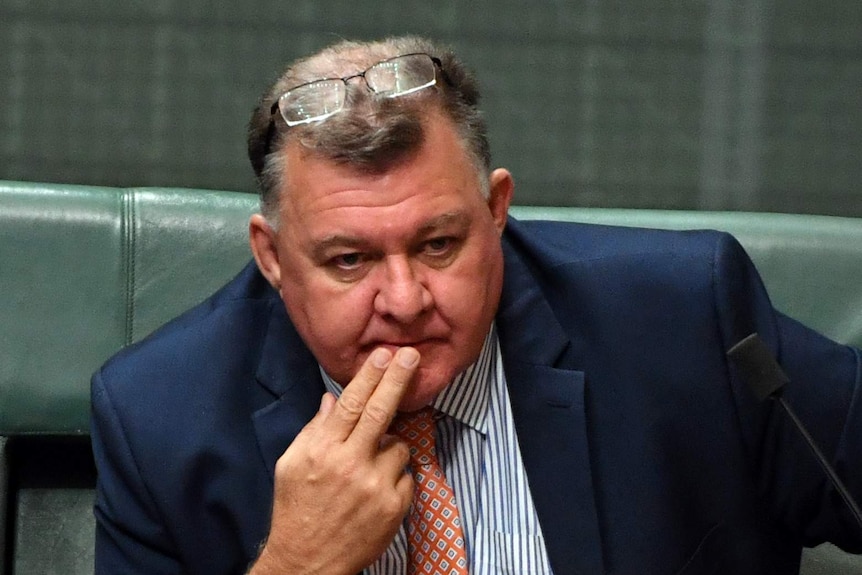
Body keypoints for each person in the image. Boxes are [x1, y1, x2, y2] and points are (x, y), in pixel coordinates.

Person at [90, 35, 862, 575]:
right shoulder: (159, 419)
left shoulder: (684, 320)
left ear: (496, 211)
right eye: (350, 259)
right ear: (272, 258)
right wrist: (296, 564)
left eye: (437, 245)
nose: (403, 299)